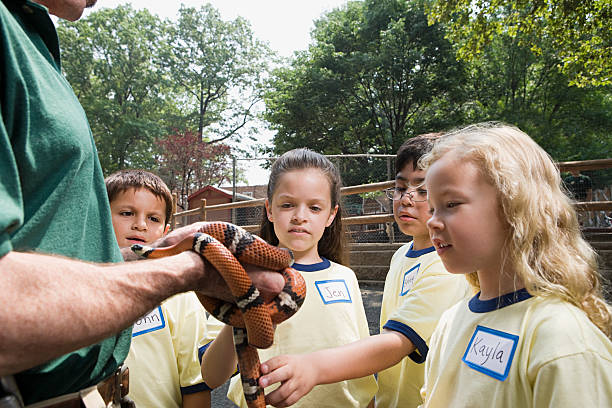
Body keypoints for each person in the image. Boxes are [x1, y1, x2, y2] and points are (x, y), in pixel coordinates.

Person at [0, 0, 283, 405]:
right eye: (127, 213)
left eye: (152, 217)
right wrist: (189, 268)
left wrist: (165, 253)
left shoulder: (30, 35)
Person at [256, 135, 471, 408]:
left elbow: (397, 342)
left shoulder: (446, 268)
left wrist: (313, 367)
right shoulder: (400, 256)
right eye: (401, 187)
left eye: (423, 190)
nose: (406, 198)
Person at [419, 123, 612, 407]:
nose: (432, 221)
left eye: (452, 204)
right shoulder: (450, 321)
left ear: (515, 208)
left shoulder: (562, 338)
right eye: (433, 208)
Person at [200, 148, 378, 407]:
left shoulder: (346, 277)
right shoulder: (240, 275)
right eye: (287, 205)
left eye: (315, 207)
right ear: (269, 210)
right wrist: (243, 308)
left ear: (331, 215)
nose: (300, 216)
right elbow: (211, 376)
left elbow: (362, 362)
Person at [105, 169, 212, 408]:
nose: (140, 225)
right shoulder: (84, 286)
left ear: (166, 230)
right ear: (101, 216)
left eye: (153, 218)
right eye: (127, 213)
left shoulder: (182, 295)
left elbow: (194, 383)